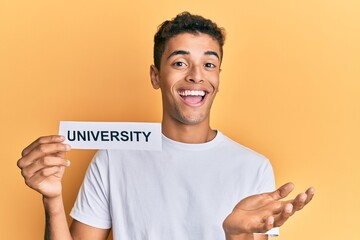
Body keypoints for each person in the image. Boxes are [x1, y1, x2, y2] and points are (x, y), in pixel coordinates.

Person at [17, 12, 315, 240]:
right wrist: (52, 200)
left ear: (218, 78)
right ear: (156, 76)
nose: (197, 76)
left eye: (209, 64)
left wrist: (234, 235)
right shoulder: (113, 157)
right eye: (180, 63)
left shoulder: (253, 166)